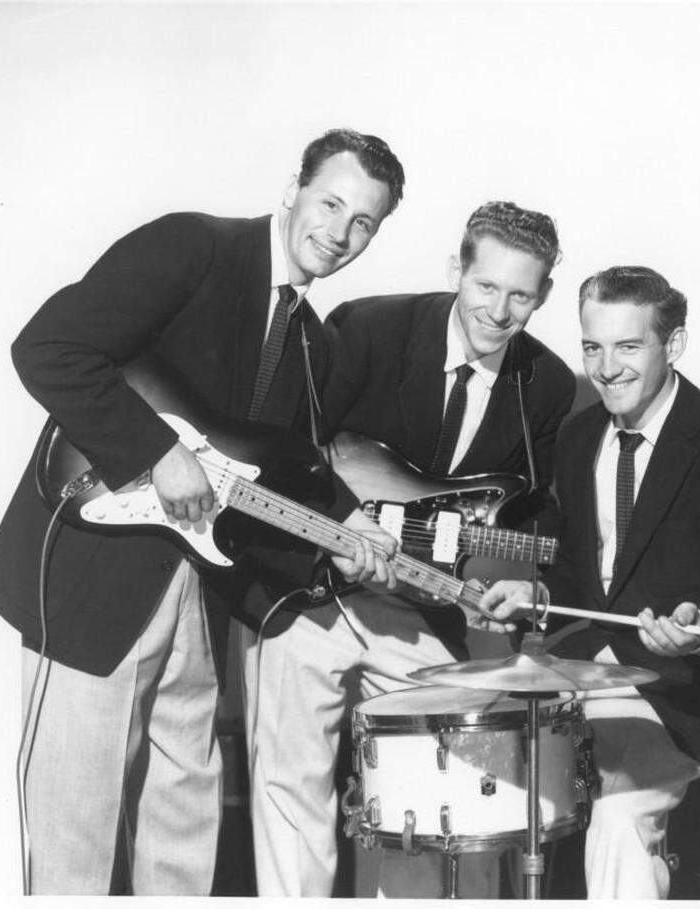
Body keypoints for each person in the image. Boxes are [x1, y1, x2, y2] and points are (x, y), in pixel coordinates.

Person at [0, 128, 403, 895]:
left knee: (185, 835)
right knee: (74, 845)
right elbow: (48, 346)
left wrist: (347, 524)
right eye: (331, 203)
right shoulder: (194, 246)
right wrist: (155, 451)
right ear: (294, 189)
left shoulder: (314, 345)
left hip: (203, 602)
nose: (339, 233)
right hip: (94, 583)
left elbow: (275, 460)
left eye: (363, 222)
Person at [238, 200, 576, 897]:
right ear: (457, 269)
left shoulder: (545, 385)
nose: (498, 311)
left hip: (419, 610)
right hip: (309, 590)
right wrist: (342, 527)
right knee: (291, 791)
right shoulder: (368, 327)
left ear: (543, 295)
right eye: (486, 285)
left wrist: (517, 585)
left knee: (437, 797)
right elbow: (292, 446)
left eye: (520, 295)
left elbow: (531, 514)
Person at [479, 265, 700, 899]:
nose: (606, 368)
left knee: (617, 818)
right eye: (592, 347)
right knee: (482, 788)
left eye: (628, 346)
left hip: (685, 694)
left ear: (673, 345)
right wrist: (537, 596)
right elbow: (578, 573)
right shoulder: (578, 436)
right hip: (585, 676)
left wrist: (699, 630)